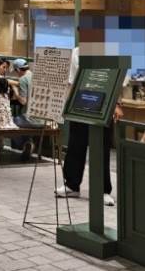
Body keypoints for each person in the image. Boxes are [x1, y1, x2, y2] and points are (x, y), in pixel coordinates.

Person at [55, 46, 121, 206]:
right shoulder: (77, 52)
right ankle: (72, 185)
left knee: (101, 148)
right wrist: (67, 106)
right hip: (80, 102)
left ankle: (103, 190)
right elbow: (71, 81)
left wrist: (117, 104)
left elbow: (118, 80)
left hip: (104, 105)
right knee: (75, 144)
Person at [10, 58, 37, 161]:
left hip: (31, 118)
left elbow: (23, 101)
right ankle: (28, 142)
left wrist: (15, 91)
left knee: (11, 122)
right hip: (43, 118)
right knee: (21, 119)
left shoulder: (23, 79)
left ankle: (26, 143)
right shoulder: (35, 76)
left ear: (18, 70)